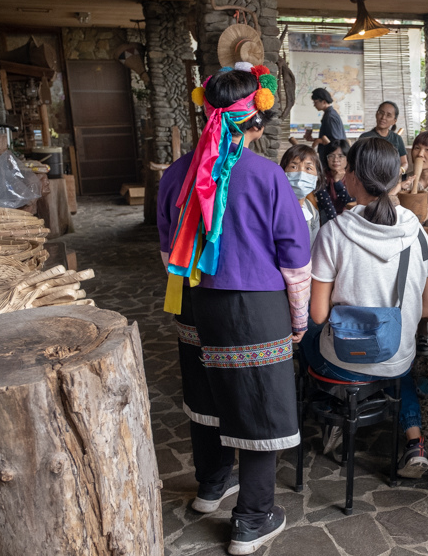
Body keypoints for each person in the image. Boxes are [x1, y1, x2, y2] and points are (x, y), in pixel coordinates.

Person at [158, 67, 310, 554]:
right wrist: (300, 319)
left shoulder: (177, 173)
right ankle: (252, 518)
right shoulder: (268, 175)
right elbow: (294, 260)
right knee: (259, 406)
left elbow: (168, 252)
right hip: (253, 308)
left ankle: (211, 485)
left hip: (194, 302)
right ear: (254, 122)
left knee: (207, 395)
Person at [300, 137, 428, 478]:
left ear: (352, 179)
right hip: (395, 358)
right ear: (395, 180)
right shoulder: (415, 231)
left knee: (304, 334)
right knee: (397, 358)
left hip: (343, 362)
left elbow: (318, 314)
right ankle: (414, 441)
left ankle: (333, 412)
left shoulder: (333, 233)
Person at [280, 144, 325, 245]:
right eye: (294, 167)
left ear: (317, 176)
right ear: (283, 171)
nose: (301, 174)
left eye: (308, 168)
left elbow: (314, 248)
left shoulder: (312, 211)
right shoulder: (274, 207)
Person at [315, 139, 354, 227]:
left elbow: (350, 202)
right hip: (328, 216)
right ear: (326, 158)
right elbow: (326, 205)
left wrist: (337, 182)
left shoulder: (353, 176)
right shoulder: (321, 176)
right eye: (331, 156)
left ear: (347, 158)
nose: (335, 160)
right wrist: (337, 227)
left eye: (340, 156)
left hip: (348, 215)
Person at [359, 101, 408, 169]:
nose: (383, 117)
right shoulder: (365, 138)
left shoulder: (397, 138)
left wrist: (400, 171)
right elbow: (358, 162)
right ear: (376, 114)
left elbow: (404, 163)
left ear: (394, 121)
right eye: (381, 113)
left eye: (388, 115)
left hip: (392, 177)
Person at [307, 87, 346, 160]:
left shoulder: (330, 116)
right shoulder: (329, 114)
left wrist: (318, 141)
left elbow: (336, 141)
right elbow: (329, 138)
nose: (314, 105)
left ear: (324, 102)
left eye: (316, 102)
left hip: (332, 157)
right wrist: (314, 139)